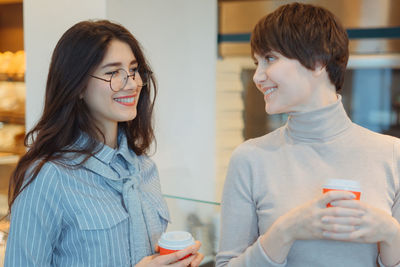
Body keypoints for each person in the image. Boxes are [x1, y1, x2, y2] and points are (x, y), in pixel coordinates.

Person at [5, 20, 203, 267]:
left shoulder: (144, 168)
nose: (131, 84)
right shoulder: (48, 176)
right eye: (112, 73)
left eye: (133, 70)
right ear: (77, 86)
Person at [216, 2, 400, 267]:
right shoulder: (249, 158)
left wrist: (391, 234)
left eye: (269, 58)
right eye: (256, 63)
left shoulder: (393, 155)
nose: (257, 76)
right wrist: (286, 230)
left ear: (317, 61)